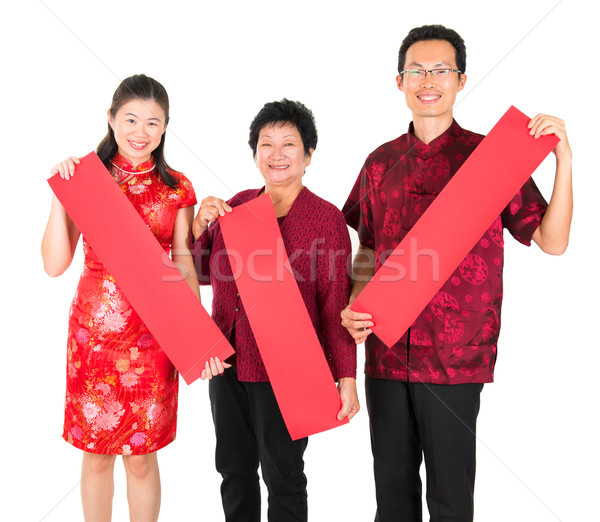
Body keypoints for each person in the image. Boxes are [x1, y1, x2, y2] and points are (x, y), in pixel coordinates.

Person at [340, 25, 572, 522]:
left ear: (461, 80)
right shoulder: (379, 163)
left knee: (450, 501)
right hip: (385, 352)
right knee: (392, 501)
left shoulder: (492, 157)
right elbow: (368, 246)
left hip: (455, 358)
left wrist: (563, 159)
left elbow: (552, 241)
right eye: (416, 71)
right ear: (399, 81)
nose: (429, 80)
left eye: (441, 70)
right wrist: (355, 306)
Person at [191, 99, 359, 522]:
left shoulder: (326, 219)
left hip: (288, 368)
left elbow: (334, 304)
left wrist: (347, 377)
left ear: (309, 155)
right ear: (255, 154)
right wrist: (197, 229)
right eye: (267, 144)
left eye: (289, 144)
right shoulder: (236, 207)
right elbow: (198, 275)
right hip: (226, 361)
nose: (277, 154)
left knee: (283, 474)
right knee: (233, 470)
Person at [41, 74, 198, 522]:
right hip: (93, 340)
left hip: (154, 339)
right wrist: (59, 193)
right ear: (110, 120)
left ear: (165, 127)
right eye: (130, 119)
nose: (140, 131)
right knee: (95, 455)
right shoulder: (85, 178)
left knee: (143, 456)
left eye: (153, 122)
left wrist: (192, 338)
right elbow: (54, 265)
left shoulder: (177, 188)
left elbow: (184, 261)